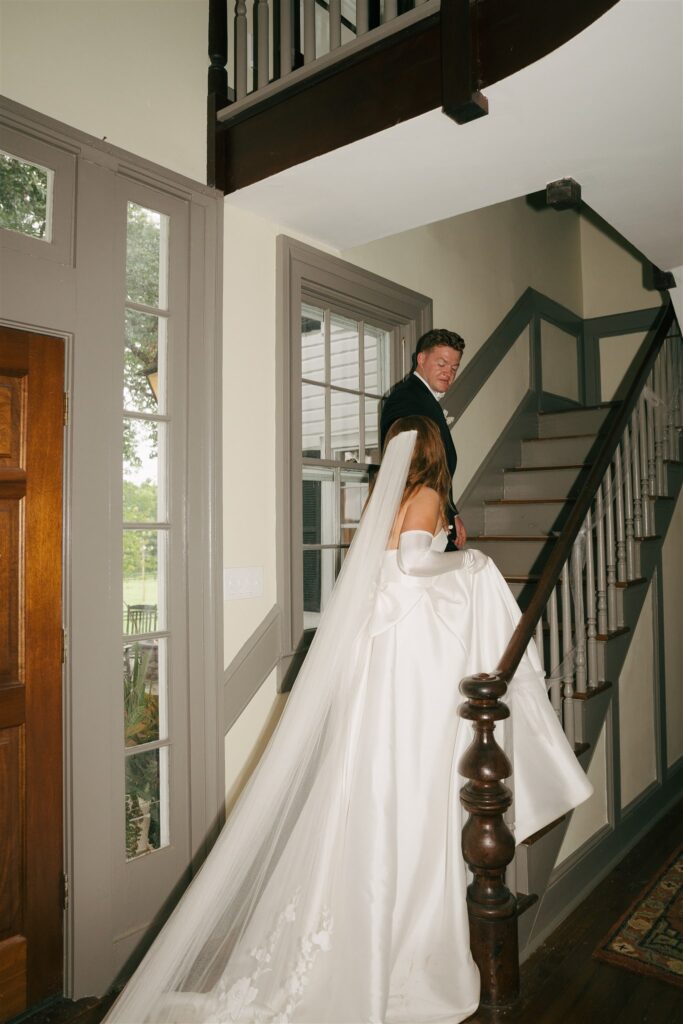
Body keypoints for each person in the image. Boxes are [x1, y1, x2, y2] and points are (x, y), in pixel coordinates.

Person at [105, 418, 592, 1024]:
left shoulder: (384, 500)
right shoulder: (429, 494)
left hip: (382, 659)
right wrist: (469, 564)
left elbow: (387, 572)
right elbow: (414, 567)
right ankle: (401, 944)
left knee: (370, 788)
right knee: (408, 789)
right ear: (436, 453)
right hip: (409, 665)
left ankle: (357, 925)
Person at [380, 328, 465, 550]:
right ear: (421, 358)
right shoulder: (406, 400)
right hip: (418, 520)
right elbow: (414, 465)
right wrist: (439, 512)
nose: (449, 372)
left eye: (454, 367)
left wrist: (450, 511)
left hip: (433, 512)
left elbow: (437, 464)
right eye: (442, 364)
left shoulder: (422, 397)